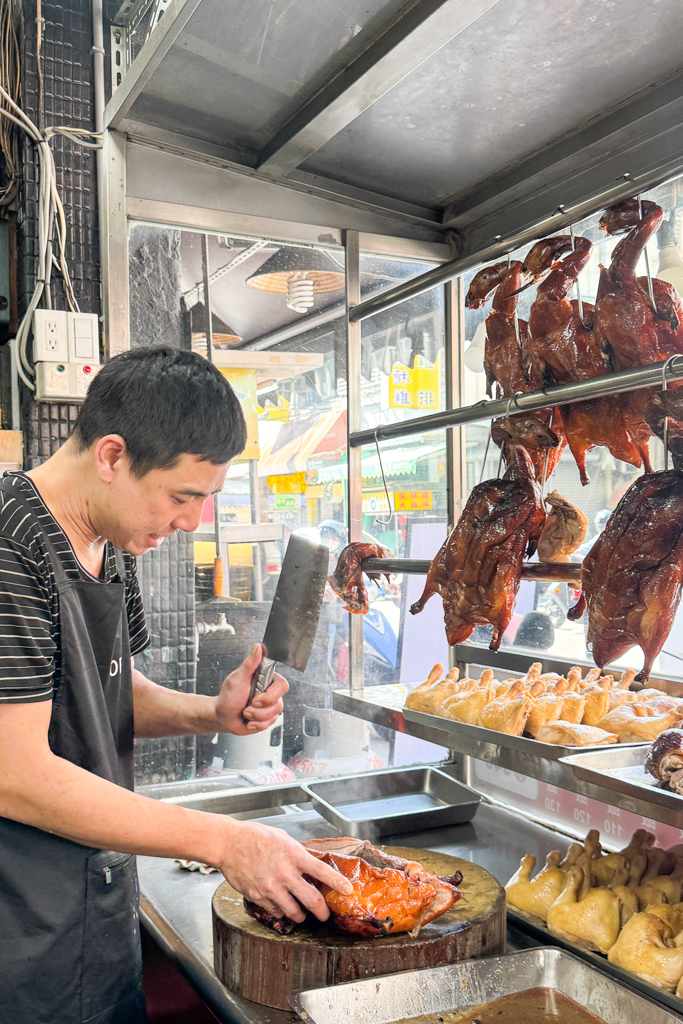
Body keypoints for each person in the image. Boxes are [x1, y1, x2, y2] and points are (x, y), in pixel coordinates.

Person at [0, 347, 352, 1024]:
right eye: (182, 496)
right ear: (110, 457)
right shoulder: (11, 545)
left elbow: (109, 695)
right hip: (18, 932)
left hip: (94, 910)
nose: (190, 522)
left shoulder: (109, 539)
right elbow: (13, 770)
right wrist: (223, 841)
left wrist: (212, 713)